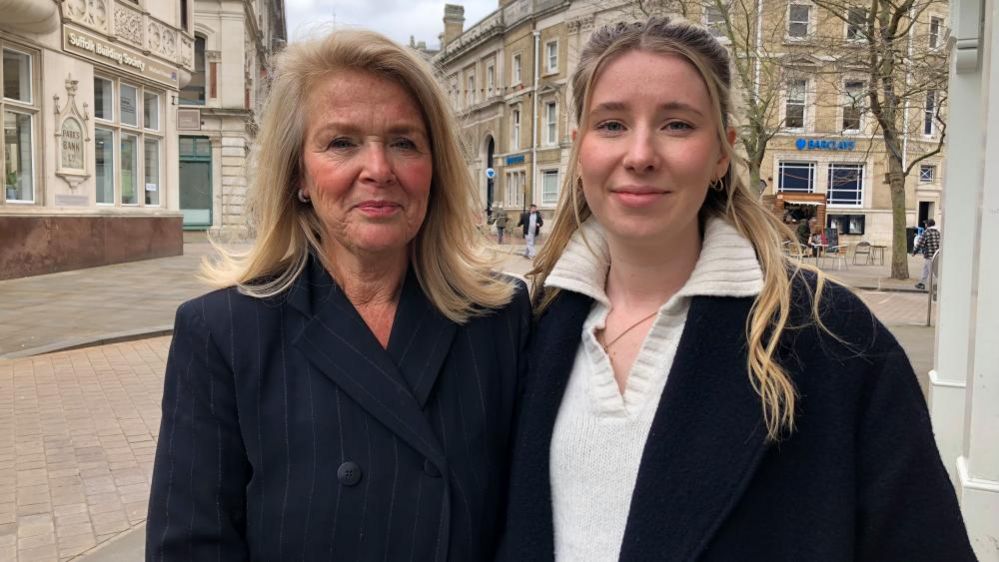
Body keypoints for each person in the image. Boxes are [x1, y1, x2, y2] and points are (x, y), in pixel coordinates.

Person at [498, 18, 973, 561]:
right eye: (611, 124)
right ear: (579, 147)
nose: (640, 154)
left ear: (722, 152)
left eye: (677, 125)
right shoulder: (522, 329)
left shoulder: (833, 338)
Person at [145, 29, 530, 561]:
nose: (378, 169)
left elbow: (530, 525)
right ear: (299, 173)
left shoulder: (500, 316)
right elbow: (191, 546)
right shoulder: (222, 332)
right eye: (342, 142)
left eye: (403, 142)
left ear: (434, 169)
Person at [913, 218, 941, 290]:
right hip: (937, 255)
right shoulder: (938, 233)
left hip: (929, 255)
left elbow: (920, 244)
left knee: (933, 272)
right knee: (925, 269)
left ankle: (936, 286)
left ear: (928, 225)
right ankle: (922, 283)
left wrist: (914, 252)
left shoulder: (926, 233)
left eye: (925, 223)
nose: (925, 225)